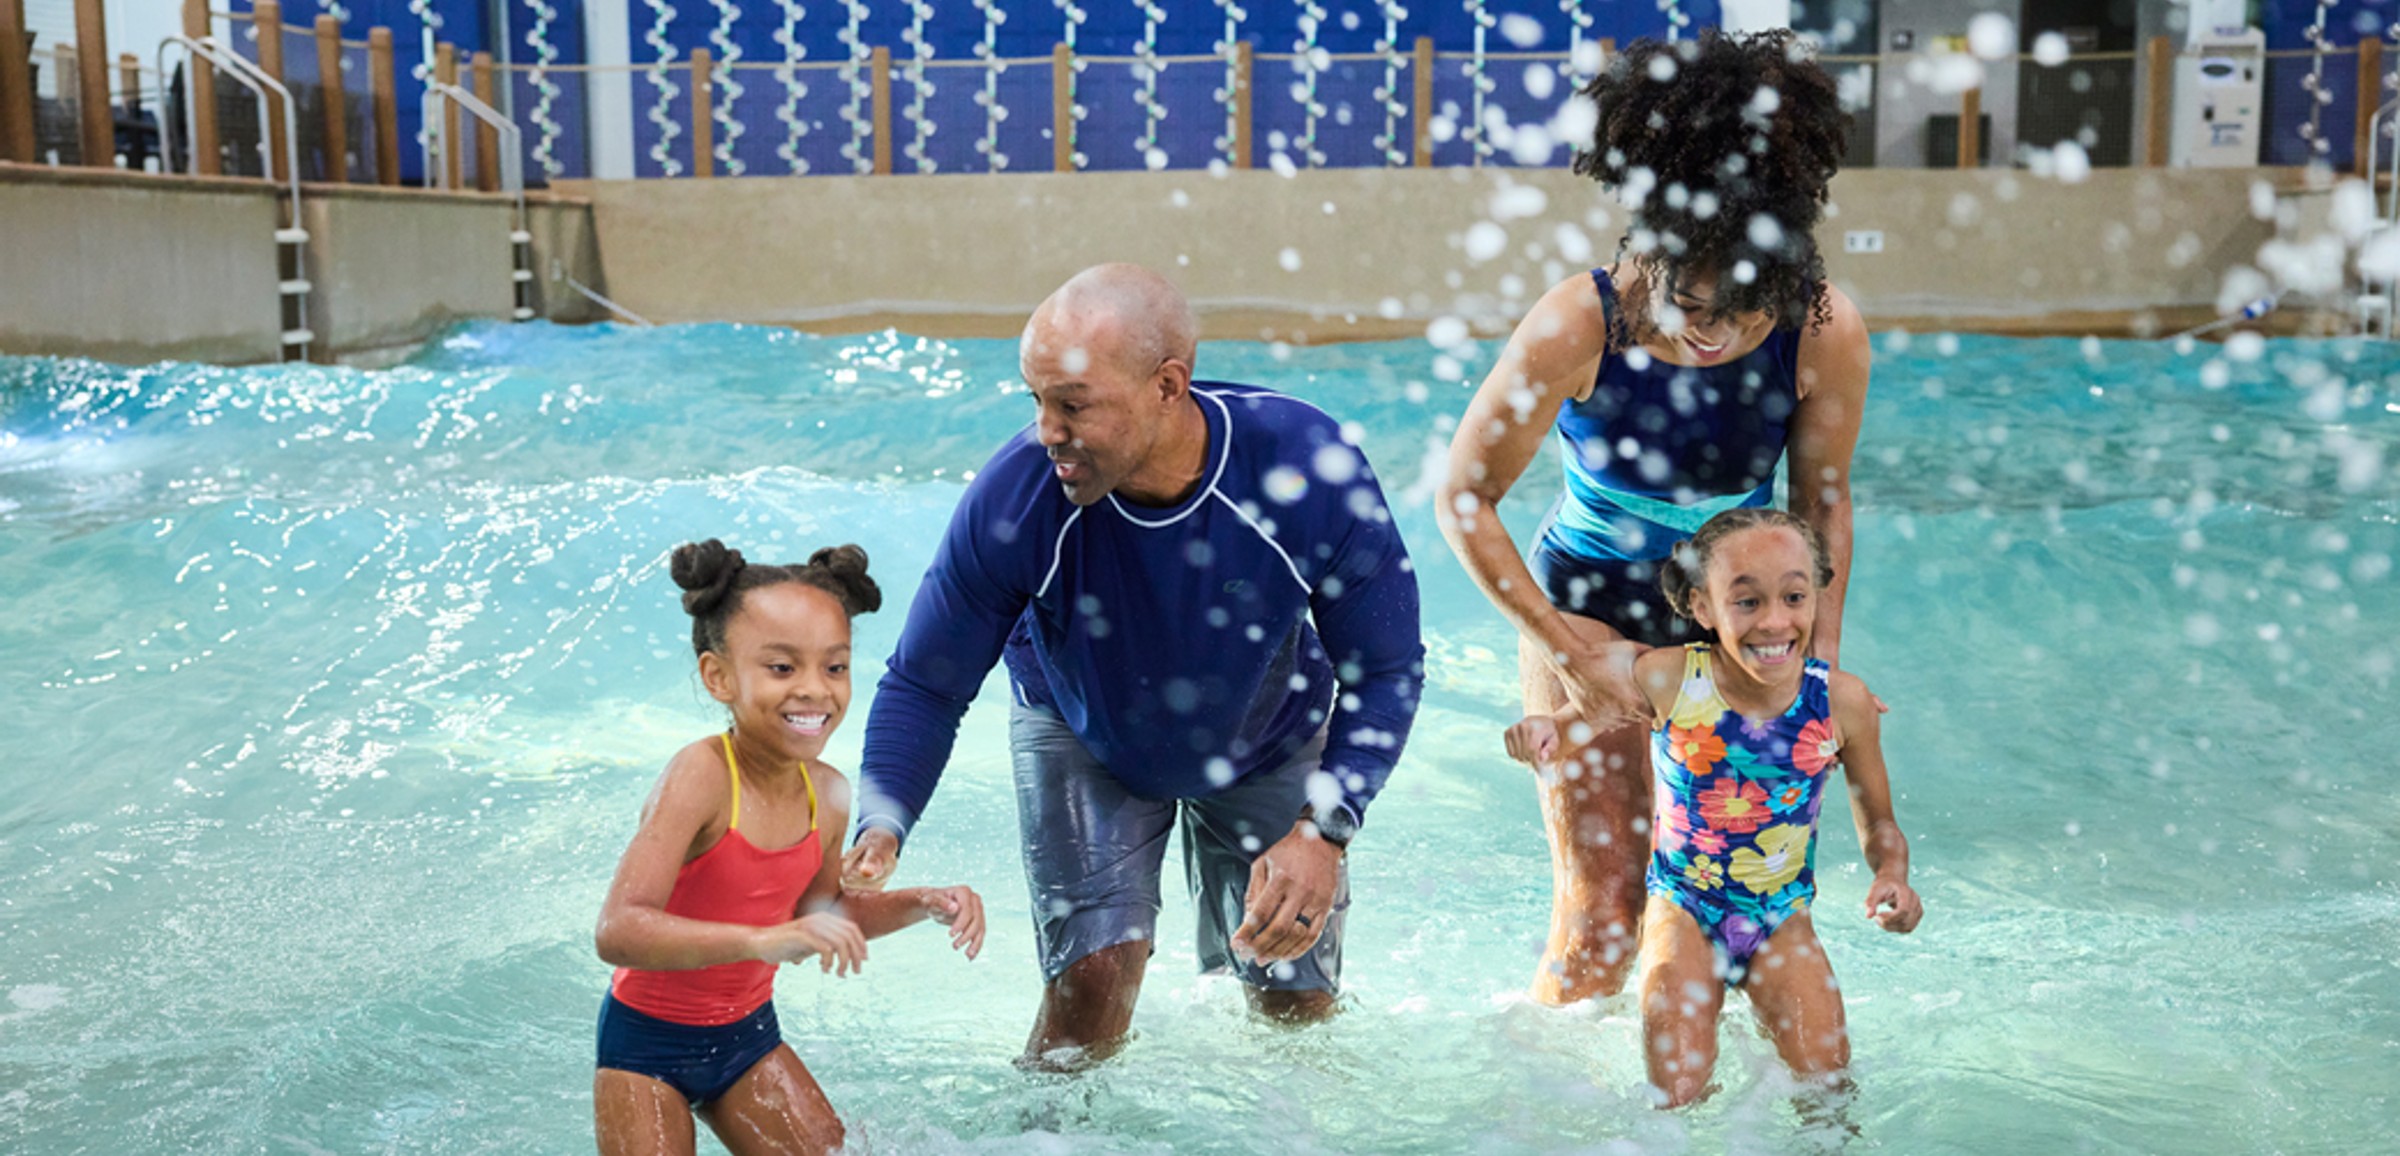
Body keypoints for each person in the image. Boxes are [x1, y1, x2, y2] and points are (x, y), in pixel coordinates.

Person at [842, 263, 1424, 1068]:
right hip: (1084, 725)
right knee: (1088, 997)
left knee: (1294, 1001)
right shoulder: (1018, 499)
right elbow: (926, 681)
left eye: (1073, 405)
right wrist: (884, 816)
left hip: (1269, 727)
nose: (1047, 430)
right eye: (1036, 401)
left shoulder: (1303, 468)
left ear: (1167, 385)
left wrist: (1324, 829)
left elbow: (1386, 668)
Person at [1435, 27, 1873, 1006]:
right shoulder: (1579, 323)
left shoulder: (1821, 328)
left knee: (1750, 903)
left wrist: (1814, 670)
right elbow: (1465, 495)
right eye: (1692, 307)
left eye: (1744, 311)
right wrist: (1564, 652)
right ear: (1651, 252)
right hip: (1583, 607)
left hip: (1736, 619)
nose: (1714, 334)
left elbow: (1822, 504)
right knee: (1604, 913)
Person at [1503, 508, 1919, 1107]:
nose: (1775, 621)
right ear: (1702, 608)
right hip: (1684, 912)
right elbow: (1575, 724)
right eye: (1746, 602)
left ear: (1818, 596)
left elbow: (1880, 822)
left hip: (1782, 918)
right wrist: (1541, 735)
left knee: (1828, 1090)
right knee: (1676, 1094)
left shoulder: (1840, 703)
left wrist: (1892, 875)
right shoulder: (1672, 679)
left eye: (1794, 596)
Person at [593, 541, 986, 1156]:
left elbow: (821, 914)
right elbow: (618, 929)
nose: (815, 691)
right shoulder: (702, 776)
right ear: (718, 677)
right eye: (782, 668)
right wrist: (759, 941)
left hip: (748, 1041)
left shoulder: (826, 792)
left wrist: (925, 902)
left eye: (835, 667)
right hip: (645, 1050)